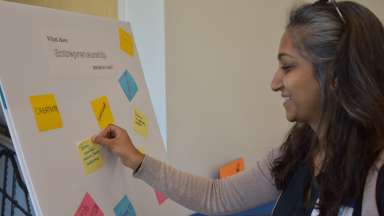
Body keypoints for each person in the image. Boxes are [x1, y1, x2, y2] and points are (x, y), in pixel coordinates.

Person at [92, 0, 384, 215]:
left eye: (288, 67)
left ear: (335, 75)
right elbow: (217, 197)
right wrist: (137, 159)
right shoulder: (298, 151)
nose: (274, 82)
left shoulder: (377, 177)